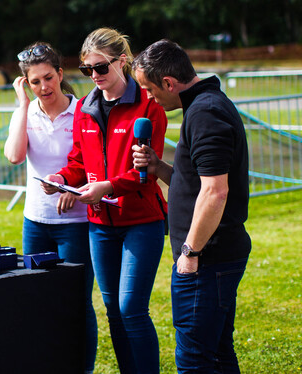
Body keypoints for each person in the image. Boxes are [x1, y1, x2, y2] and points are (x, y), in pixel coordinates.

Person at [41, 28, 168, 373]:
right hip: (99, 225)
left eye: (100, 68)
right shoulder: (85, 108)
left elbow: (147, 173)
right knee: (112, 309)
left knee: (131, 308)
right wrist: (61, 180)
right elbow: (79, 162)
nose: (94, 76)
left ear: (122, 61)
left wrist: (108, 187)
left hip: (142, 221)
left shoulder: (148, 104)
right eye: (87, 70)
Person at [131, 39, 251, 373]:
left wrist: (190, 253)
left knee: (195, 360)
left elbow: (215, 193)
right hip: (213, 256)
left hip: (207, 258)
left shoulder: (205, 112)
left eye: (149, 88)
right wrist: (159, 168)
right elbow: (199, 184)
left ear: (168, 83)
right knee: (217, 353)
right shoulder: (204, 105)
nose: (148, 97)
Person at [3, 42, 98, 373]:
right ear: (26, 84)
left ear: (60, 74)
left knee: (76, 302)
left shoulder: (84, 111)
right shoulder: (26, 112)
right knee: (37, 299)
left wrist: (74, 188)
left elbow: (93, 161)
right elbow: (15, 156)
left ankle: (81, 368)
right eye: (34, 82)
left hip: (76, 222)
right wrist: (22, 105)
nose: (44, 87)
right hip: (36, 222)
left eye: (48, 78)